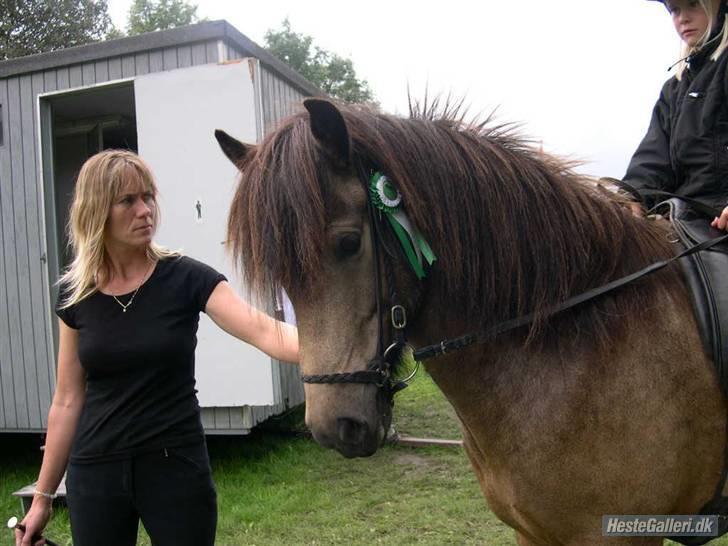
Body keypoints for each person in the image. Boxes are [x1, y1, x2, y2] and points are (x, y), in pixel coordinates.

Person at [15, 150, 299, 546]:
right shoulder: (75, 293)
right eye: (128, 201)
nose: (145, 210)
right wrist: (43, 497)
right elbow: (66, 400)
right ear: (97, 211)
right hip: (96, 470)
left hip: (175, 466)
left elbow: (265, 331)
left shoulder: (186, 277)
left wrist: (340, 346)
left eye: (148, 197)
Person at [621, 0, 728, 229]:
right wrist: (631, 198)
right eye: (675, 10)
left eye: (692, 5)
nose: (683, 18)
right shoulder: (674, 88)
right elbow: (653, 160)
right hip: (683, 220)